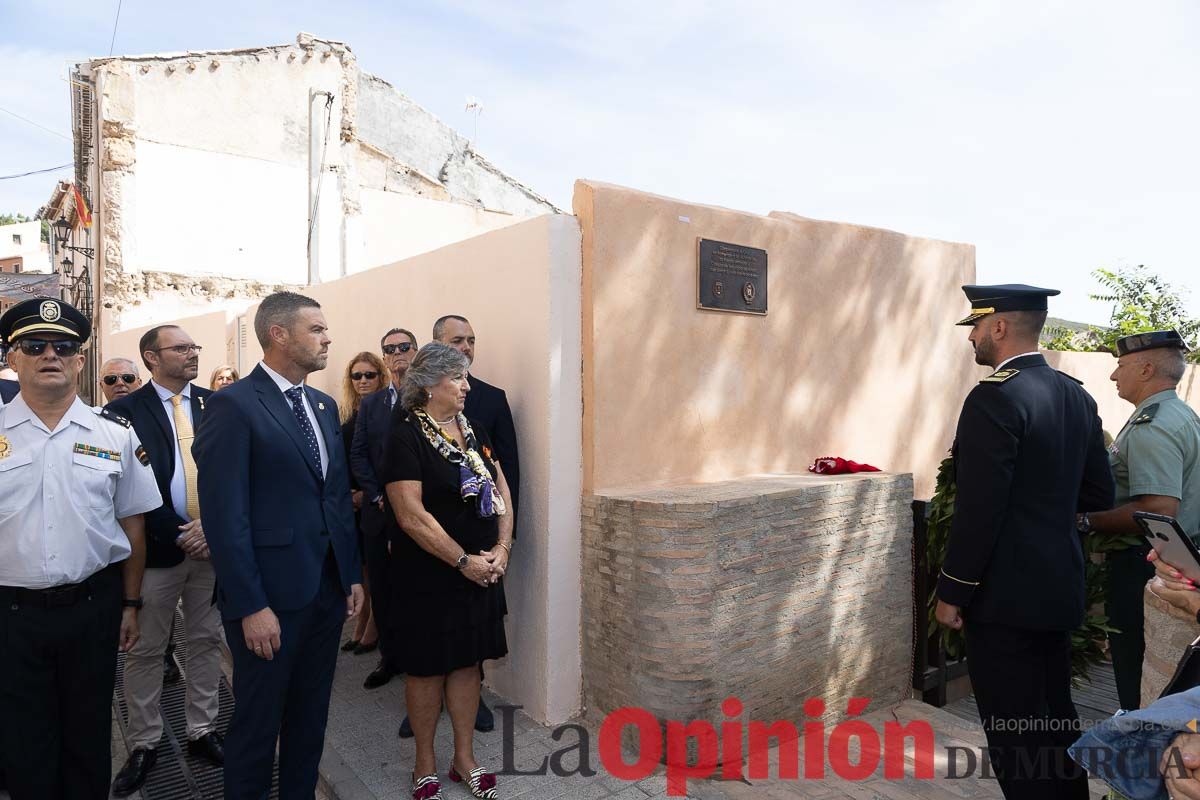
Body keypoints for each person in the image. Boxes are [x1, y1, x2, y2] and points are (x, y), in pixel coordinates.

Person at [934, 284, 1115, 800]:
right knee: (1055, 715)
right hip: (1058, 585)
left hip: (1005, 595)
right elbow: (1099, 493)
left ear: (998, 326)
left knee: (1015, 730)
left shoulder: (995, 396)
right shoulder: (1075, 393)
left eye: (974, 326)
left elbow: (980, 509)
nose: (971, 338)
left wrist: (953, 591)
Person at [193, 291, 363, 800]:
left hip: (326, 591)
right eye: (317, 329)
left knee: (310, 719)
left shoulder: (323, 404)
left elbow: (334, 497)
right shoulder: (232, 405)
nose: (328, 337)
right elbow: (226, 518)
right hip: (268, 601)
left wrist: (350, 574)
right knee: (258, 724)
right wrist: (250, 606)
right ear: (278, 334)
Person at [0, 297, 161, 800]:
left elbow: (133, 527)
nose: (50, 353)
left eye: (64, 346)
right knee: (23, 743)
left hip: (92, 609)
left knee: (89, 737)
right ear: (13, 358)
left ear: (79, 360)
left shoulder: (114, 436)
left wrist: (131, 605)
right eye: (34, 345)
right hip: (10, 615)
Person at [383, 342, 512, 800]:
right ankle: (424, 765)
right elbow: (410, 515)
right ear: (430, 383)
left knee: (466, 664)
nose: (466, 385)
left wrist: (501, 546)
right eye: (458, 377)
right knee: (425, 670)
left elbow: (499, 486)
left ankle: (465, 758)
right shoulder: (404, 434)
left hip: (479, 571)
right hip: (432, 575)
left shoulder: (470, 426)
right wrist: (463, 560)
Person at [107, 325, 224, 797]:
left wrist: (211, 528)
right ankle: (145, 742)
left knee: (206, 640)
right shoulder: (122, 413)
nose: (193, 353)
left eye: (195, 346)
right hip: (154, 553)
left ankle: (202, 729)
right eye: (181, 348)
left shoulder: (218, 406)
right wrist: (180, 531)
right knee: (147, 650)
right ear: (152, 358)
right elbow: (123, 487)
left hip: (213, 549)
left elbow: (234, 473)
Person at [1075, 329, 1200, 711]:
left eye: (1120, 366)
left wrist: (1085, 522)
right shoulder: (1176, 413)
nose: (1114, 375)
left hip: (1145, 562)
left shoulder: (1153, 427)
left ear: (1145, 369)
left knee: (1139, 665)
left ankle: (1140, 744)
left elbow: (1158, 510)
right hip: (1177, 559)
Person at [432, 314, 519, 733]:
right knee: (434, 628)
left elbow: (508, 473)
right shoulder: (415, 407)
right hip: (433, 543)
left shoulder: (491, 399)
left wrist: (506, 540)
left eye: (470, 340)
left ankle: (473, 696)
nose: (465, 347)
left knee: (477, 627)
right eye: (456, 341)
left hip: (482, 543)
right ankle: (426, 705)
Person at [351, 328, 416, 695]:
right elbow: (359, 453)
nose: (397, 354)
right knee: (384, 589)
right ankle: (389, 658)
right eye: (389, 349)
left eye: (404, 347)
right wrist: (376, 495)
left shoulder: (427, 397)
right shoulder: (372, 404)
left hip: (419, 515)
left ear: (416, 350)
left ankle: (420, 662)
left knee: (417, 591)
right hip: (378, 516)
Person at [339, 351, 388, 656]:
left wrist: (367, 493)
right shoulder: (349, 414)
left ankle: (373, 626)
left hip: (373, 501)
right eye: (357, 375)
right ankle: (364, 620)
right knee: (362, 567)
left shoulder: (385, 411)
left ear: (380, 377)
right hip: (350, 503)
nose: (363, 381)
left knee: (375, 568)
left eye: (369, 375)